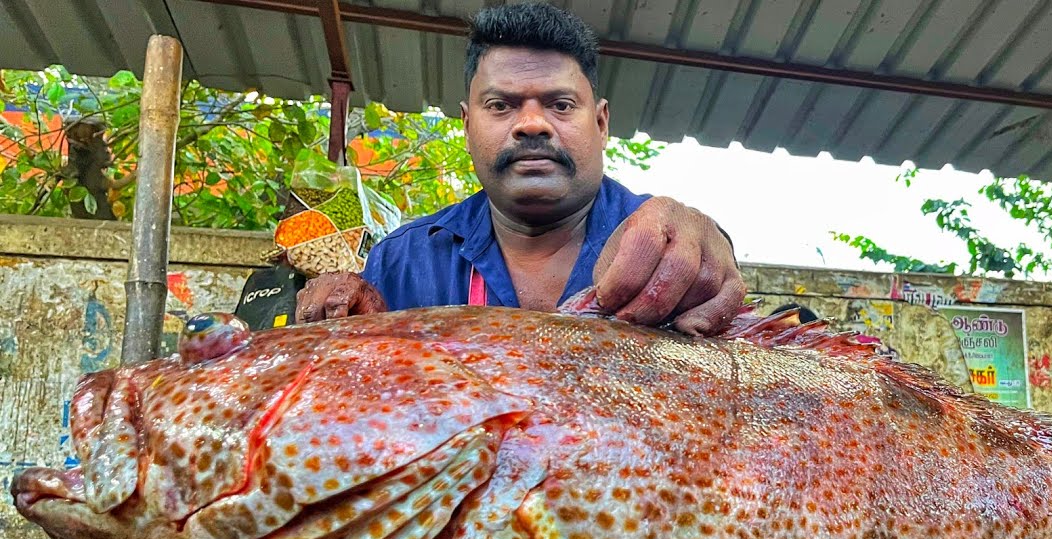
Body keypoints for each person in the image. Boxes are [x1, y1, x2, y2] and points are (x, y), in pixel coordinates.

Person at [296, 1, 745, 336]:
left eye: (561, 104)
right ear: (468, 125)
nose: (532, 124)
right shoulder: (401, 262)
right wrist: (336, 317)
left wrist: (709, 242)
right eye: (501, 105)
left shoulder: (667, 244)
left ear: (602, 123)